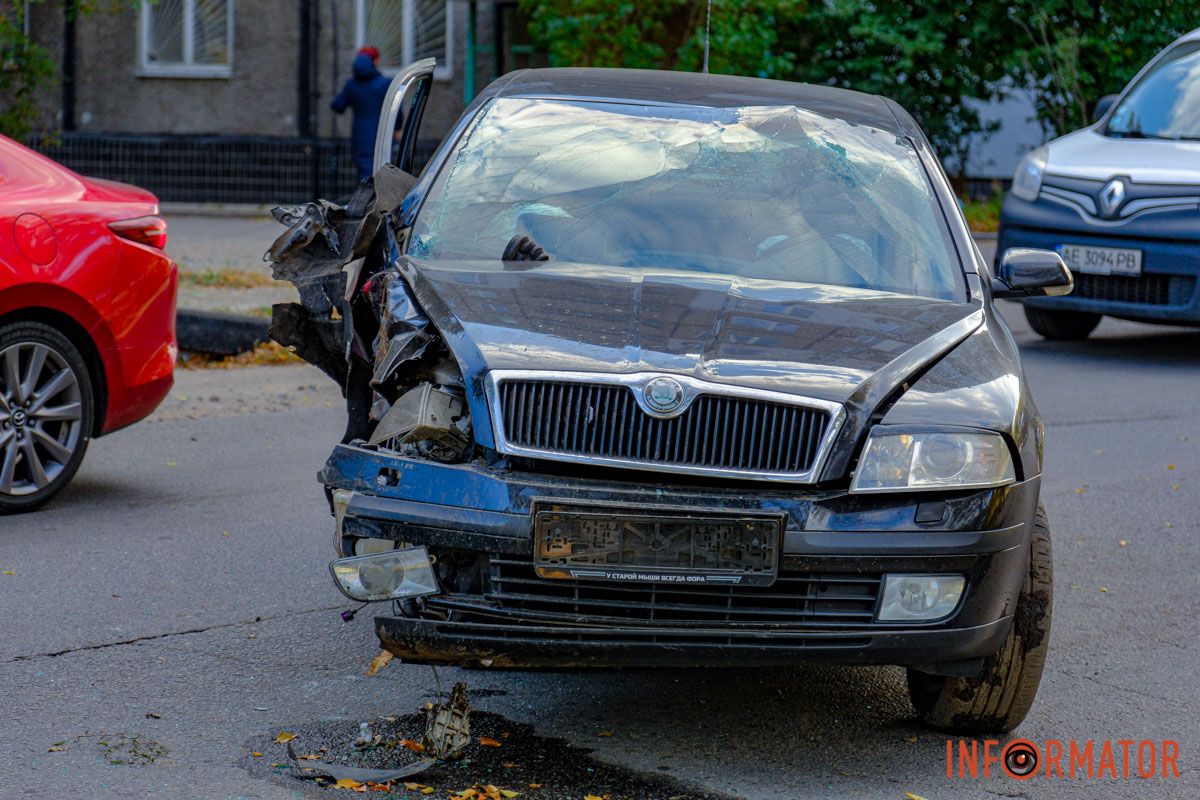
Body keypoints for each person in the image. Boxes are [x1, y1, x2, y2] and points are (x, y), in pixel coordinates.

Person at [331, 46, 392, 181]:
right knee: (385, 171)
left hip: (361, 136)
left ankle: (367, 194)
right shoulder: (384, 83)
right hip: (383, 134)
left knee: (365, 174)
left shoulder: (352, 84)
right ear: (375, 61)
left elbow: (337, 105)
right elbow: (395, 110)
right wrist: (397, 128)